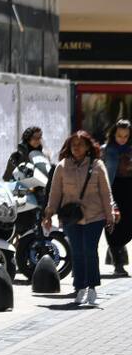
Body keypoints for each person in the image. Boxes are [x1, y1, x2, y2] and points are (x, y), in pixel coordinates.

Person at [43, 131, 119, 306]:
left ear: (88, 147)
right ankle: (80, 287)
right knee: (77, 252)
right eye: (73, 145)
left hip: (95, 216)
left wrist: (110, 215)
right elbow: (55, 194)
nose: (77, 148)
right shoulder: (62, 167)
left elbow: (106, 193)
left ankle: (92, 287)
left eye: (81, 145)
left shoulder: (98, 165)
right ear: (68, 147)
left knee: (89, 251)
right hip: (71, 217)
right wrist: (48, 214)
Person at [103, 119, 132, 275]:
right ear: (114, 134)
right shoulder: (106, 150)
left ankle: (116, 251)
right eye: (119, 135)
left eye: (126, 136)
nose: (122, 139)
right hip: (112, 190)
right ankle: (118, 263)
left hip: (129, 190)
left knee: (128, 226)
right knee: (112, 225)